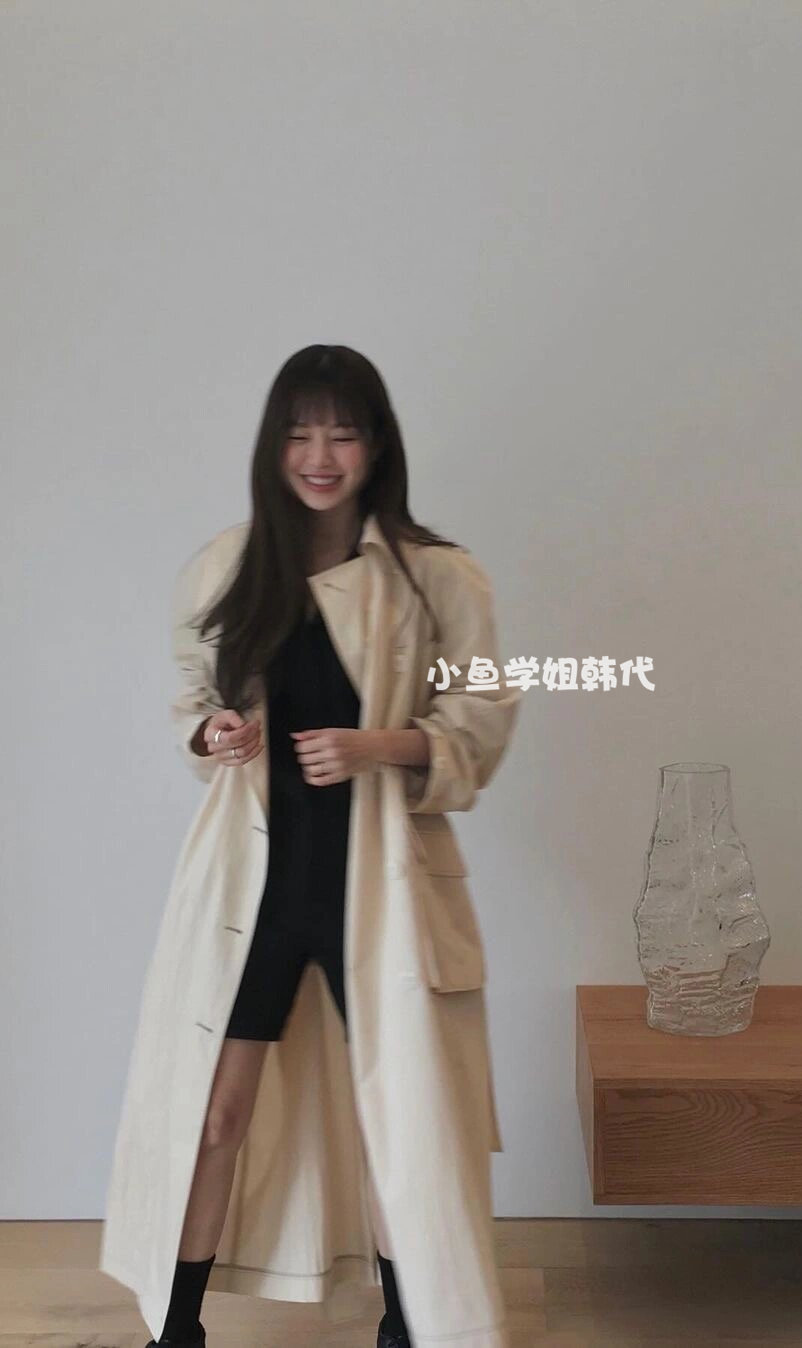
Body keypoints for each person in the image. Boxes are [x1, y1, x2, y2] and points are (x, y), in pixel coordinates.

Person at [102, 344, 520, 1348]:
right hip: (254, 888)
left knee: (400, 1124)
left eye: (343, 432)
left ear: (377, 445)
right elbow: (193, 694)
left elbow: (482, 718)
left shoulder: (436, 574)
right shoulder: (229, 565)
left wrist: (380, 745)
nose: (320, 456)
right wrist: (212, 733)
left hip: (384, 882)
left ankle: (409, 1328)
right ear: (273, 444)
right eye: (300, 433)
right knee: (215, 1112)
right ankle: (177, 1332)